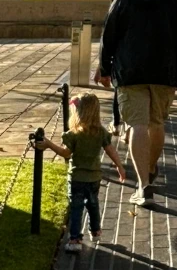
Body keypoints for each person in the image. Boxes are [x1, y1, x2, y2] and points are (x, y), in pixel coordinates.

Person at [96, 0, 177, 207]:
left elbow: (109, 38)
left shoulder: (122, 1)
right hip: (164, 72)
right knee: (157, 123)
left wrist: (104, 68)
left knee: (136, 125)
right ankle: (150, 168)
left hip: (130, 73)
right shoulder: (172, 0)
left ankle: (142, 184)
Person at [35, 93, 126, 254]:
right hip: (94, 177)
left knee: (76, 208)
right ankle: (96, 230)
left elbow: (65, 153)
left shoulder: (74, 134)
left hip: (77, 177)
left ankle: (75, 238)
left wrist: (49, 144)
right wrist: (119, 165)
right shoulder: (101, 133)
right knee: (93, 204)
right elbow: (110, 149)